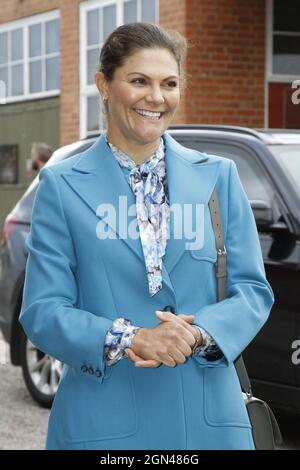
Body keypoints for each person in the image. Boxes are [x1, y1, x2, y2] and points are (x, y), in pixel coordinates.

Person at [19, 23, 274, 450]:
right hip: (103, 424)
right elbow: (43, 310)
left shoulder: (219, 177)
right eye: (139, 81)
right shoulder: (61, 186)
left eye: (169, 84)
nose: (156, 97)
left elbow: (252, 291)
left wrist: (196, 334)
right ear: (104, 84)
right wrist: (133, 337)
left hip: (210, 423)